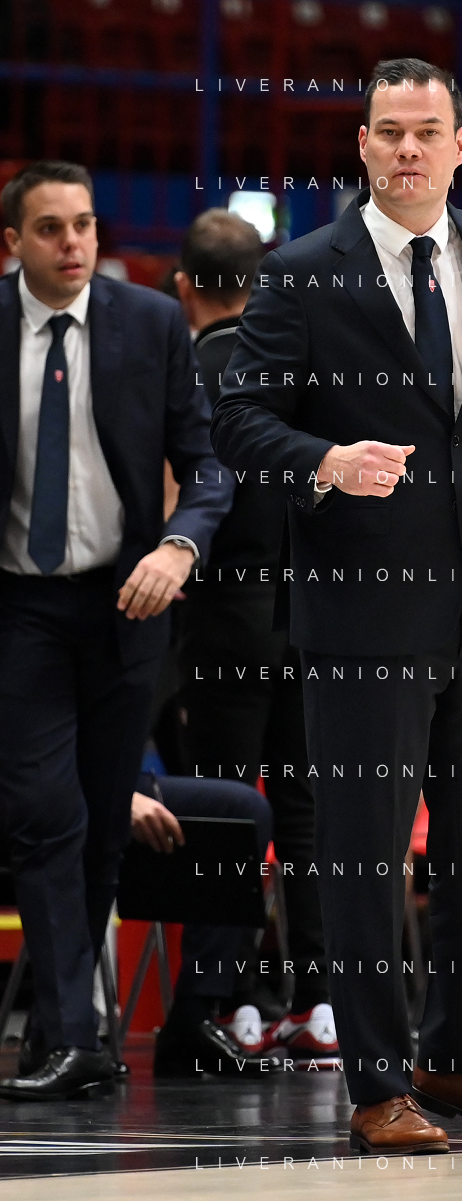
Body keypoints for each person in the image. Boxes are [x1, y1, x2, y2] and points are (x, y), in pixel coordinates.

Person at [211, 57, 462, 1154]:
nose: (409, 148)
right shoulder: (300, 272)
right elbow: (239, 421)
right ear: (364, 144)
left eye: (428, 130)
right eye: (389, 131)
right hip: (362, 616)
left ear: (460, 146)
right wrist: (325, 462)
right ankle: (377, 1083)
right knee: (366, 861)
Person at [0, 161, 233, 1101]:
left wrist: (180, 544)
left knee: (100, 824)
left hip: (128, 601)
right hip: (20, 606)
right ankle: (73, 1033)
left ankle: (67, 1036)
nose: (73, 244)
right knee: (43, 814)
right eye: (50, 228)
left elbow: (207, 463)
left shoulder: (150, 322)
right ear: (13, 242)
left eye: (85, 225)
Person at [173, 209, 339, 1065]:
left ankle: (231, 1000)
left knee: (227, 807)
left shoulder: (186, 368)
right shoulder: (300, 366)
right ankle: (320, 1003)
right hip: (309, 614)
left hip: (221, 617)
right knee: (307, 811)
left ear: (183, 287)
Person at [128, 773, 286, 1075]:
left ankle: (193, 1016)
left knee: (242, 809)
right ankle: (60, 1030)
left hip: (115, 778)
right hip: (57, 782)